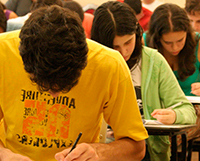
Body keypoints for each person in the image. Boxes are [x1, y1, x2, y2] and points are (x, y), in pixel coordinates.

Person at [0, 5, 148, 161]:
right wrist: (4, 155)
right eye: (43, 84)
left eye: (65, 85)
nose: (54, 95)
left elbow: (137, 148)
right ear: (24, 62)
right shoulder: (3, 54)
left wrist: (98, 151)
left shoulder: (108, 64)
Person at [91, 1, 197, 161]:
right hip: (100, 147)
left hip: (145, 149)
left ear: (137, 33)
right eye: (115, 47)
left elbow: (187, 111)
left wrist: (174, 115)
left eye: (128, 42)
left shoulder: (153, 61)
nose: (124, 51)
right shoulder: (90, 63)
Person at [144, 3, 200, 97]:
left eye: (180, 40)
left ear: (188, 32)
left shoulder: (198, 42)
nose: (175, 47)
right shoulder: (144, 42)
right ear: (157, 38)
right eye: (167, 42)